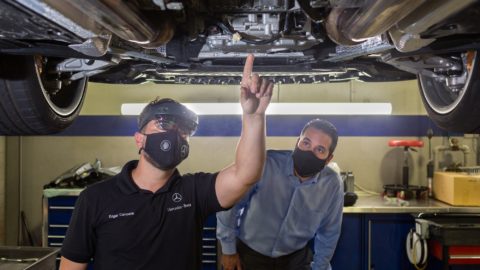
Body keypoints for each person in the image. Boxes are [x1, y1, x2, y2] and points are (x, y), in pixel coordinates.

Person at [59, 54, 274, 270]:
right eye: (164, 124)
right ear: (139, 139)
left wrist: (254, 117)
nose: (175, 134)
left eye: (184, 130)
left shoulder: (194, 192)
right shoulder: (95, 199)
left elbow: (245, 174)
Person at [217, 119, 344, 270]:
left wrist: (320, 267)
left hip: (295, 259)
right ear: (298, 142)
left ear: (329, 159)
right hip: (249, 254)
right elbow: (232, 204)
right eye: (306, 143)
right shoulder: (265, 163)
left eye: (320, 149)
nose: (310, 151)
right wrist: (228, 250)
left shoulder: (332, 184)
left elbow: (329, 232)